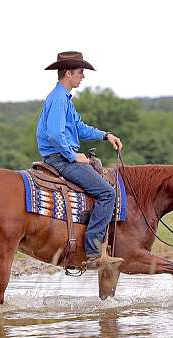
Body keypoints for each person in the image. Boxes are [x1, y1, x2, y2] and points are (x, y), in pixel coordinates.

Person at [36, 51, 124, 269]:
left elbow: (79, 128)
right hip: (60, 159)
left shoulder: (64, 98)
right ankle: (94, 252)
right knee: (107, 193)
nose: (83, 77)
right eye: (80, 72)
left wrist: (105, 135)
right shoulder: (58, 99)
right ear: (68, 73)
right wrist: (72, 155)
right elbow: (55, 134)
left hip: (61, 156)